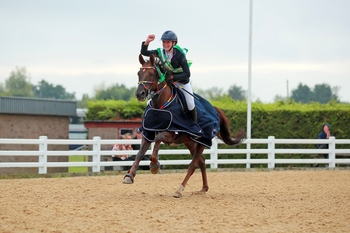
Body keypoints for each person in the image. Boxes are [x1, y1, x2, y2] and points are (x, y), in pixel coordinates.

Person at [140, 30, 197, 123]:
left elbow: (187, 73)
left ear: (174, 43)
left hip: (182, 82)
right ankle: (146, 125)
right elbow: (144, 52)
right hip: (167, 82)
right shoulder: (160, 52)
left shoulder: (179, 55)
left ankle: (194, 125)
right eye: (164, 42)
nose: (165, 44)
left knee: (190, 103)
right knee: (150, 102)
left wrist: (172, 77)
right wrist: (147, 42)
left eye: (168, 42)